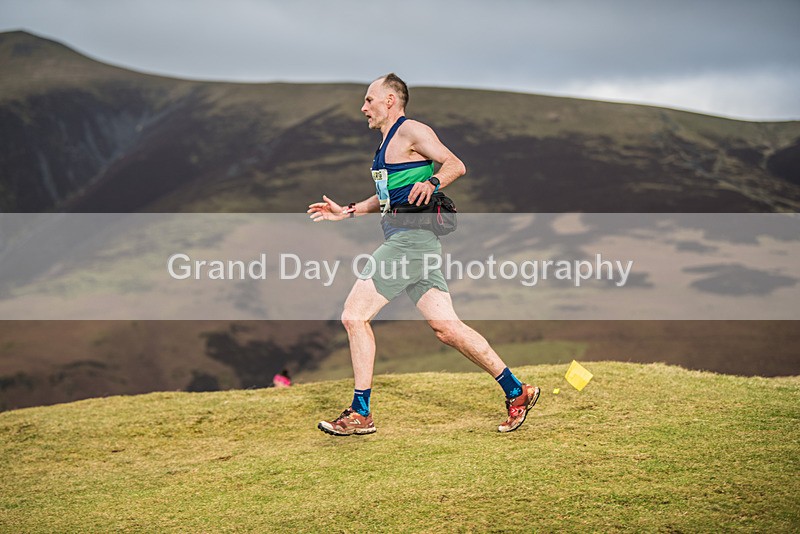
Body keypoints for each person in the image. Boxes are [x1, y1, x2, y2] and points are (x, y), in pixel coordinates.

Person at [307, 73, 539, 436]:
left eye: (369, 99)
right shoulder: (386, 145)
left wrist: (431, 182)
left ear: (389, 100)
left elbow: (455, 164)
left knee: (354, 317)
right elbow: (386, 199)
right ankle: (517, 391)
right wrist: (347, 210)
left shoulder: (410, 130)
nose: (363, 107)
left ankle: (360, 412)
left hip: (409, 242)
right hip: (417, 244)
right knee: (447, 328)